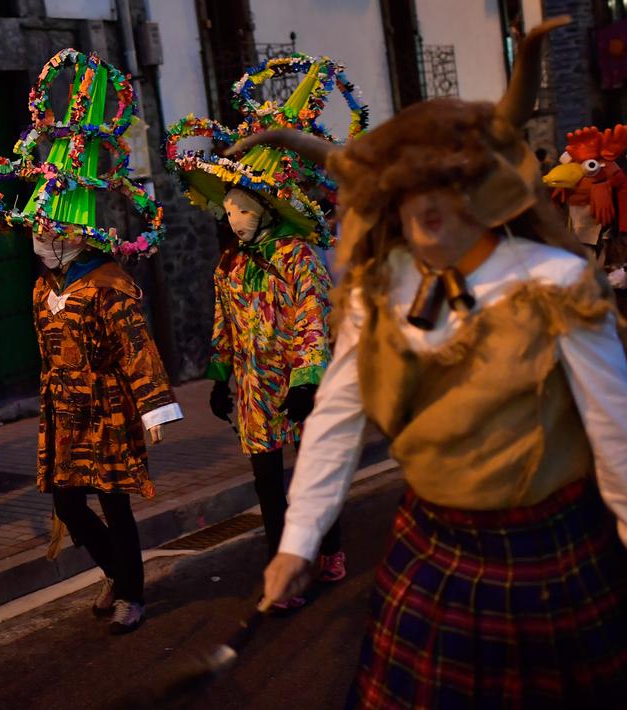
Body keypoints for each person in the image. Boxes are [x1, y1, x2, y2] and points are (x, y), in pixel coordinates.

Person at [241, 17, 627, 706]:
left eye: (443, 185)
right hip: (431, 548)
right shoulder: (377, 287)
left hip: (546, 555)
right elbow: (335, 415)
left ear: (483, 188)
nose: (424, 207)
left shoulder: (553, 281)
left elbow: (614, 430)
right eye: (407, 191)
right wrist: (297, 542)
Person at [162, 54, 365, 608]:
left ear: (268, 209)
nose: (233, 217)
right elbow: (224, 325)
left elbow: (311, 323)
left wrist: (308, 380)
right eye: (228, 208)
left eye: (243, 207)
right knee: (268, 487)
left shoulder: (298, 258)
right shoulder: (228, 265)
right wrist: (221, 376)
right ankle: (284, 567)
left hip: (298, 389)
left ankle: (329, 546)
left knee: (310, 480)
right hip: (255, 391)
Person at [9, 49, 181, 634]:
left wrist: (154, 404)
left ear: (76, 237)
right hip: (64, 410)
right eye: (37, 230)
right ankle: (115, 568)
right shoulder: (40, 290)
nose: (40, 239)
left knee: (114, 502)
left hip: (107, 409)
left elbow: (137, 346)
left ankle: (132, 591)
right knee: (65, 503)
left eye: (50, 231)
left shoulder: (110, 283)